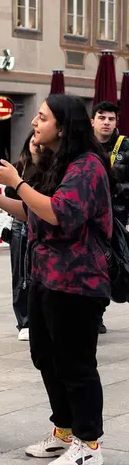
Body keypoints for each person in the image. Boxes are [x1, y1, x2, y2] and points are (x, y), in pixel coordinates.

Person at [0, 94, 113, 465]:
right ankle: (64, 430)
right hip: (46, 277)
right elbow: (31, 211)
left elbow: (58, 213)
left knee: (76, 364)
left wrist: (17, 181)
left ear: (63, 127)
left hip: (78, 281)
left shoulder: (88, 167)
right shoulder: (60, 163)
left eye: (42, 117)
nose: (35, 123)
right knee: (46, 357)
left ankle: (89, 443)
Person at [91, 101, 129, 334]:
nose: (106, 122)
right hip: (87, 216)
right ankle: (91, 313)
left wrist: (115, 187)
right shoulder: (83, 146)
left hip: (116, 217)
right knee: (90, 265)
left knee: (110, 266)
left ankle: (98, 313)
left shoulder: (125, 147)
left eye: (111, 119)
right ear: (92, 121)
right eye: (102, 117)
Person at [4, 130, 40, 341]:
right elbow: (10, 194)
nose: (37, 146)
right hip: (20, 225)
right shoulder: (20, 167)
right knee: (20, 275)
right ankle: (24, 321)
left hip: (41, 225)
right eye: (34, 142)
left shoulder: (53, 167)